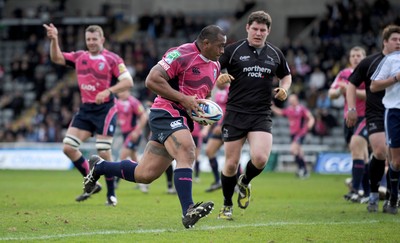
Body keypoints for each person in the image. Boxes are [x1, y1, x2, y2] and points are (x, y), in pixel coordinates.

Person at [82, 25, 227, 228]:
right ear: (206, 43)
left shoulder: (215, 65)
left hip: (183, 118)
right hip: (166, 112)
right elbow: (152, 80)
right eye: (220, 46)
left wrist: (204, 110)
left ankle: (100, 166)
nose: (222, 51)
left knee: (145, 174)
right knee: (187, 149)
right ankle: (189, 210)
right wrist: (184, 99)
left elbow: (204, 94)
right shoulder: (181, 54)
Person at [43, 23, 134, 206]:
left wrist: (108, 91)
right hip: (86, 110)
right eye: (88, 39)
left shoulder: (112, 59)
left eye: (94, 39)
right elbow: (57, 58)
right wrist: (54, 40)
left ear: (102, 39)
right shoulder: (79, 56)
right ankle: (92, 182)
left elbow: (128, 81)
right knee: (68, 148)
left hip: (105, 110)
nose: (91, 42)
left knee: (103, 151)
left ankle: (111, 194)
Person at [215, 11, 292, 220]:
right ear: (247, 28)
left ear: (268, 32)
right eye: (255, 29)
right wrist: (219, 77)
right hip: (236, 113)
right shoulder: (233, 50)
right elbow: (214, 68)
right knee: (231, 163)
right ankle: (227, 205)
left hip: (261, 113)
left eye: (263, 30)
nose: (258, 33)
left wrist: (285, 88)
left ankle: (245, 181)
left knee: (260, 158)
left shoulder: (275, 54)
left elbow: (286, 75)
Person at [346, 24, 400, 213]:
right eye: (394, 39)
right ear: (385, 42)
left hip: (396, 112)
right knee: (379, 151)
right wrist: (351, 108)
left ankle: (393, 197)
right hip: (376, 113)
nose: (398, 42)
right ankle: (374, 193)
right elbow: (351, 84)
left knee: (396, 159)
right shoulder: (370, 61)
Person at [328, 46, 369, 203]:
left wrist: (350, 90)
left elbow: (370, 94)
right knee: (360, 154)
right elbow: (331, 93)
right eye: (353, 55)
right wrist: (340, 91)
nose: (355, 58)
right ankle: (366, 192)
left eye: (359, 55)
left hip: (365, 117)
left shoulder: (368, 72)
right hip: (348, 118)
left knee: (357, 150)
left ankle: (357, 190)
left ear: (364, 57)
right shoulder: (344, 74)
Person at [370, 49, 400, 214]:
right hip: (395, 111)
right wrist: (396, 78)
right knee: (396, 161)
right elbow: (374, 86)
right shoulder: (391, 60)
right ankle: (393, 198)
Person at [271, 94, 315, 178]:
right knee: (299, 152)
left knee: (293, 150)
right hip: (293, 134)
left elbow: (310, 117)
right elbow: (280, 112)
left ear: (296, 100)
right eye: (290, 100)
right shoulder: (290, 109)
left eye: (292, 99)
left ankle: (302, 169)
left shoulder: (301, 109)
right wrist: (272, 107)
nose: (291, 101)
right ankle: (304, 171)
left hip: (301, 133)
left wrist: (310, 123)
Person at [114, 89, 149, 192]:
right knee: (134, 158)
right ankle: (143, 181)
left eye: (123, 91)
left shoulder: (133, 102)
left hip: (133, 133)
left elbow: (144, 116)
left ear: (128, 90)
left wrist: (137, 131)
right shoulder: (117, 102)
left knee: (123, 155)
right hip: (125, 133)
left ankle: (115, 182)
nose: (120, 92)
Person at [203, 85, 229, 192]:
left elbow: (232, 108)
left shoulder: (232, 89)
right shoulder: (218, 91)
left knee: (232, 156)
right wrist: (207, 128)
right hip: (218, 127)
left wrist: (222, 124)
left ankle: (237, 183)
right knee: (209, 151)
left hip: (229, 126)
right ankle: (218, 181)